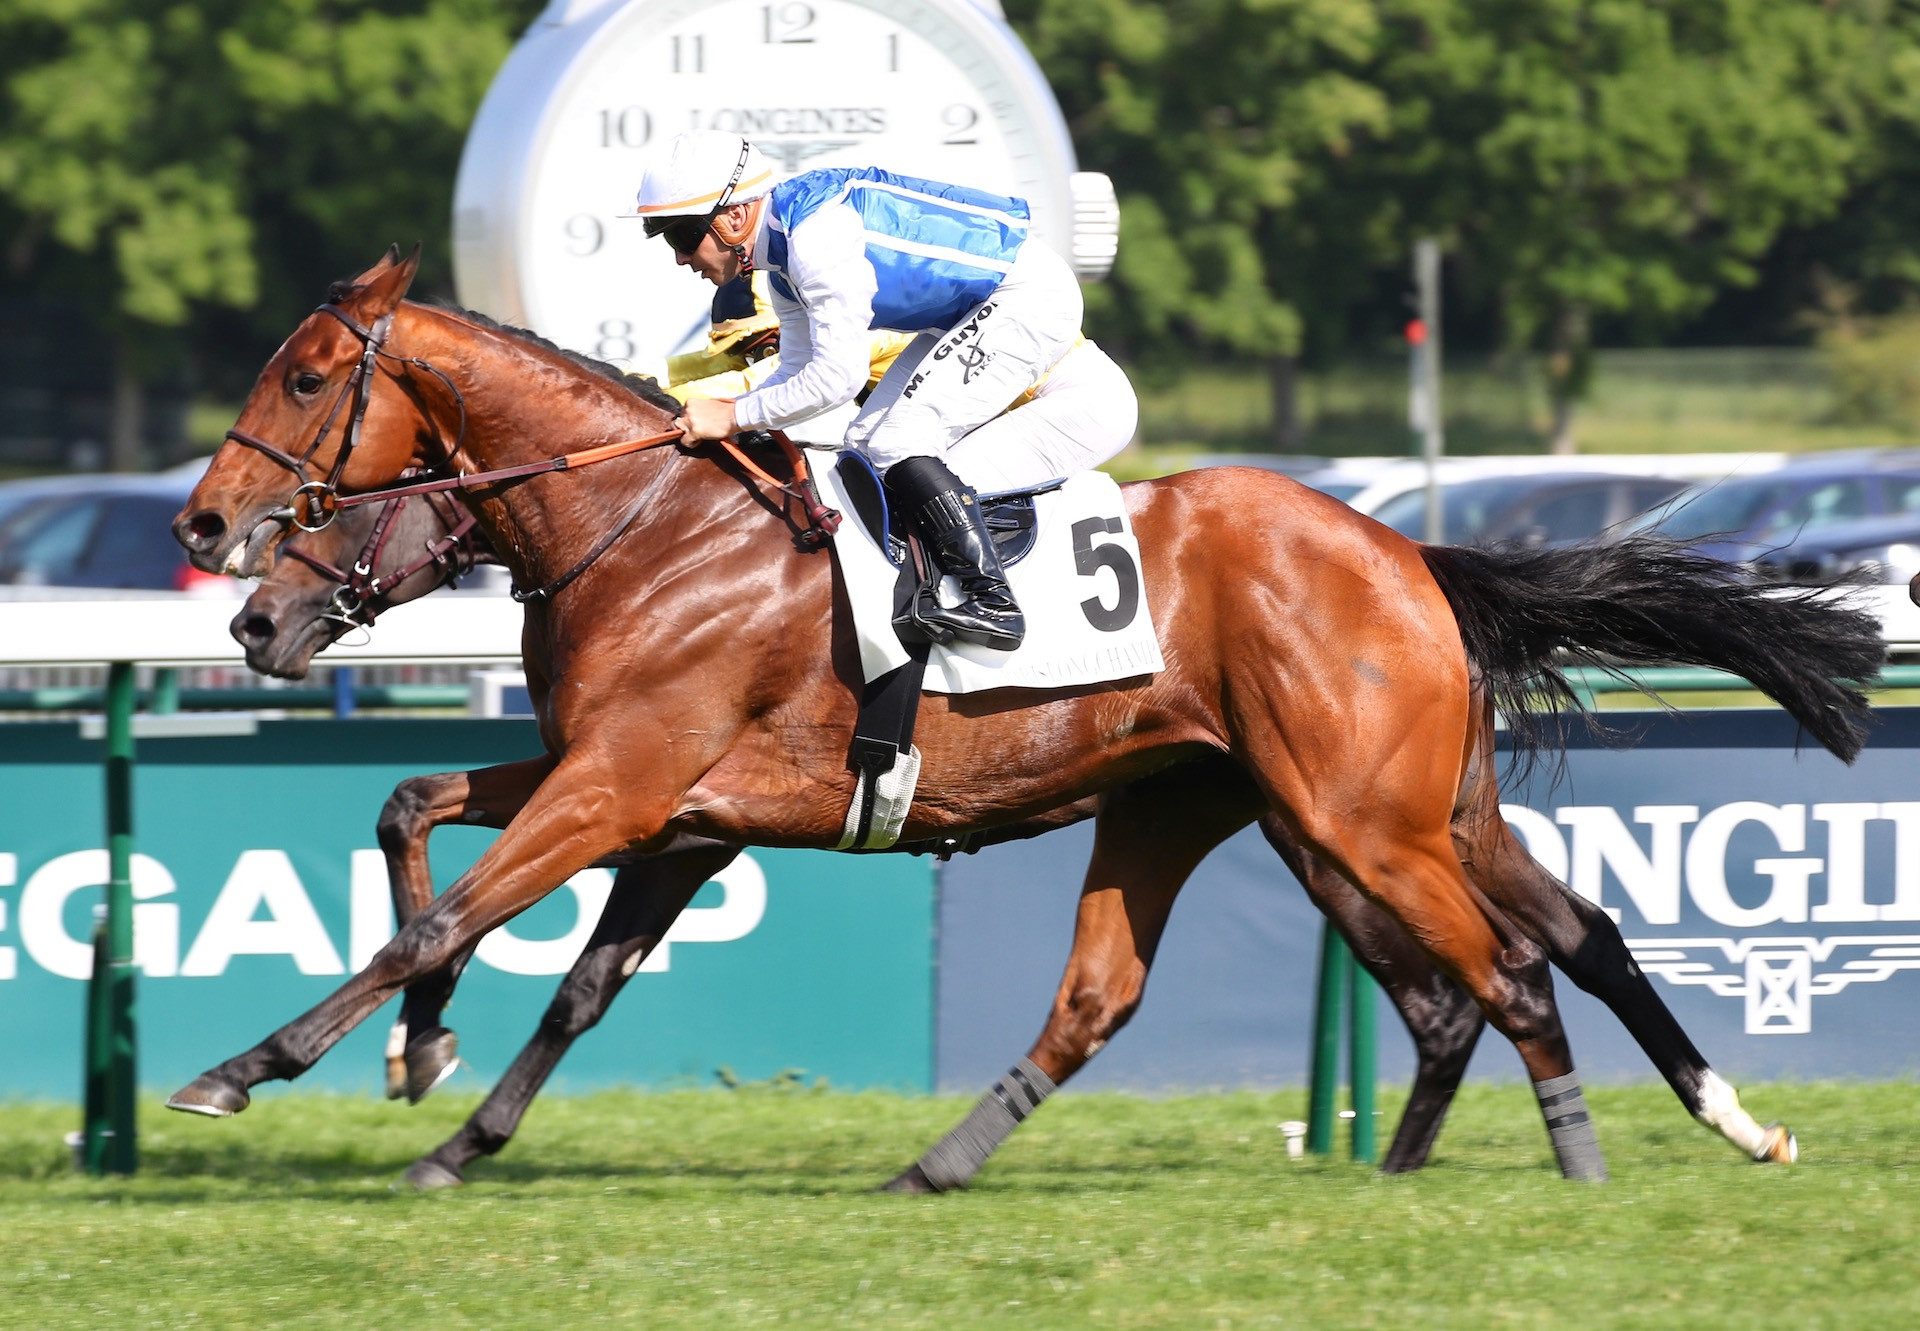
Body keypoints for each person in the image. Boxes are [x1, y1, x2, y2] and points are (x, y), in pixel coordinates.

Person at [628, 130, 1134, 652]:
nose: (681, 259)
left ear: (735, 217)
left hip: (1026, 298)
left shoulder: (815, 239)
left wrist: (732, 418)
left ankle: (994, 603)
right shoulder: (781, 263)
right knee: (867, 442)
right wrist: (733, 409)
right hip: (977, 307)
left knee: (899, 443)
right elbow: (795, 372)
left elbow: (837, 378)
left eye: (681, 238)